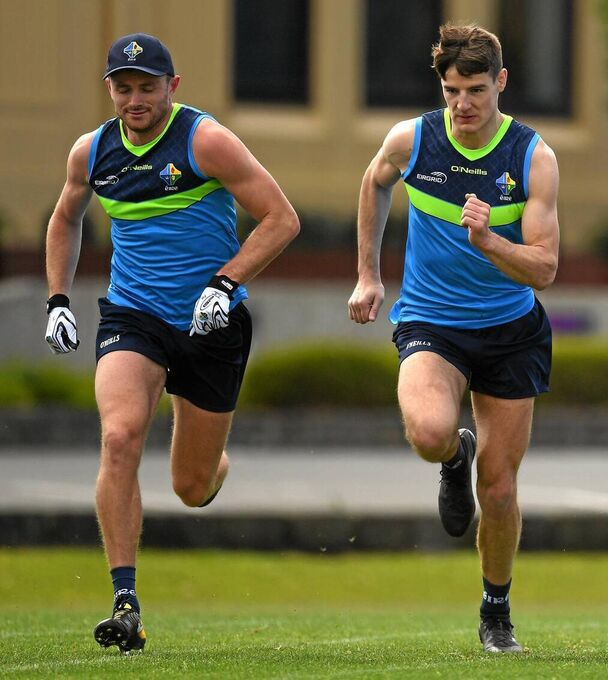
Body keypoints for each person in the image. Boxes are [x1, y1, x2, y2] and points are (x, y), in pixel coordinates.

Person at [42, 33, 299, 653]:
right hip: (133, 317)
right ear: (110, 90)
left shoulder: (204, 140)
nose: (135, 100)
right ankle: (125, 602)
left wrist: (225, 283)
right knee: (119, 437)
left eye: (147, 87)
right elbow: (66, 218)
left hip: (212, 321)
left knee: (192, 486)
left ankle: (214, 463)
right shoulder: (91, 151)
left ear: (171, 87)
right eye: (123, 88)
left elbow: (281, 219)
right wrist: (57, 300)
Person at [347, 24, 558, 654]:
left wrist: (489, 240)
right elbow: (374, 181)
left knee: (500, 487)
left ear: (501, 82)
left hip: (510, 331)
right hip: (432, 322)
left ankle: (496, 611)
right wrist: (368, 275)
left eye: (475, 90)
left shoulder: (532, 156)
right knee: (430, 432)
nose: (462, 104)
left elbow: (545, 268)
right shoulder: (412, 139)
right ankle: (452, 457)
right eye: (451, 91)